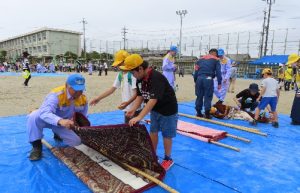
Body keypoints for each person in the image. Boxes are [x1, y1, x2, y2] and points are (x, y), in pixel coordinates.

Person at [121, 54, 178, 171]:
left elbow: (153, 99)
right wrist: (133, 109)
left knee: (167, 135)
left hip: (168, 110)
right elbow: (140, 95)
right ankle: (153, 154)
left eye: (133, 72)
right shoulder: (140, 78)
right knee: (153, 131)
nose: (132, 75)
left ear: (140, 69)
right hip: (155, 109)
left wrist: (140, 116)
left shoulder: (156, 78)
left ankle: (168, 158)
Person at [27, 74, 88, 161]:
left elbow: (83, 117)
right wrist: (60, 120)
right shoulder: (56, 94)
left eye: (81, 90)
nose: (78, 93)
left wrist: (79, 127)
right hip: (50, 120)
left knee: (77, 142)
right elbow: (45, 113)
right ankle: (36, 146)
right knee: (34, 116)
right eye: (75, 90)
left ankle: (57, 133)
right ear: (67, 85)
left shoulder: (83, 99)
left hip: (65, 124)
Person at [90, 50, 140, 123]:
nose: (119, 66)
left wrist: (128, 103)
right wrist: (98, 98)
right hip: (127, 107)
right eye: (118, 65)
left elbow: (137, 93)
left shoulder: (132, 74)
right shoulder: (121, 74)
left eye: (120, 64)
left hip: (134, 108)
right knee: (129, 129)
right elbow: (112, 89)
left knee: (132, 130)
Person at [194, 48, 222, 119]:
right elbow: (218, 72)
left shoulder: (199, 60)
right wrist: (219, 83)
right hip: (208, 79)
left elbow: (196, 72)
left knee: (199, 96)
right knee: (208, 96)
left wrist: (195, 81)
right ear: (215, 53)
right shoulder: (216, 60)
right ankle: (207, 114)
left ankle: (199, 113)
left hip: (199, 79)